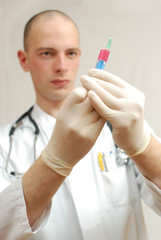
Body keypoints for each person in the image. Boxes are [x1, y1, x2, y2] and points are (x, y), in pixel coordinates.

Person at [0, 9, 161, 240]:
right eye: (47, 53)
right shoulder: (5, 145)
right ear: (24, 60)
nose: (62, 66)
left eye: (71, 53)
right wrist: (55, 161)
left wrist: (143, 146)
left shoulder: (120, 125)